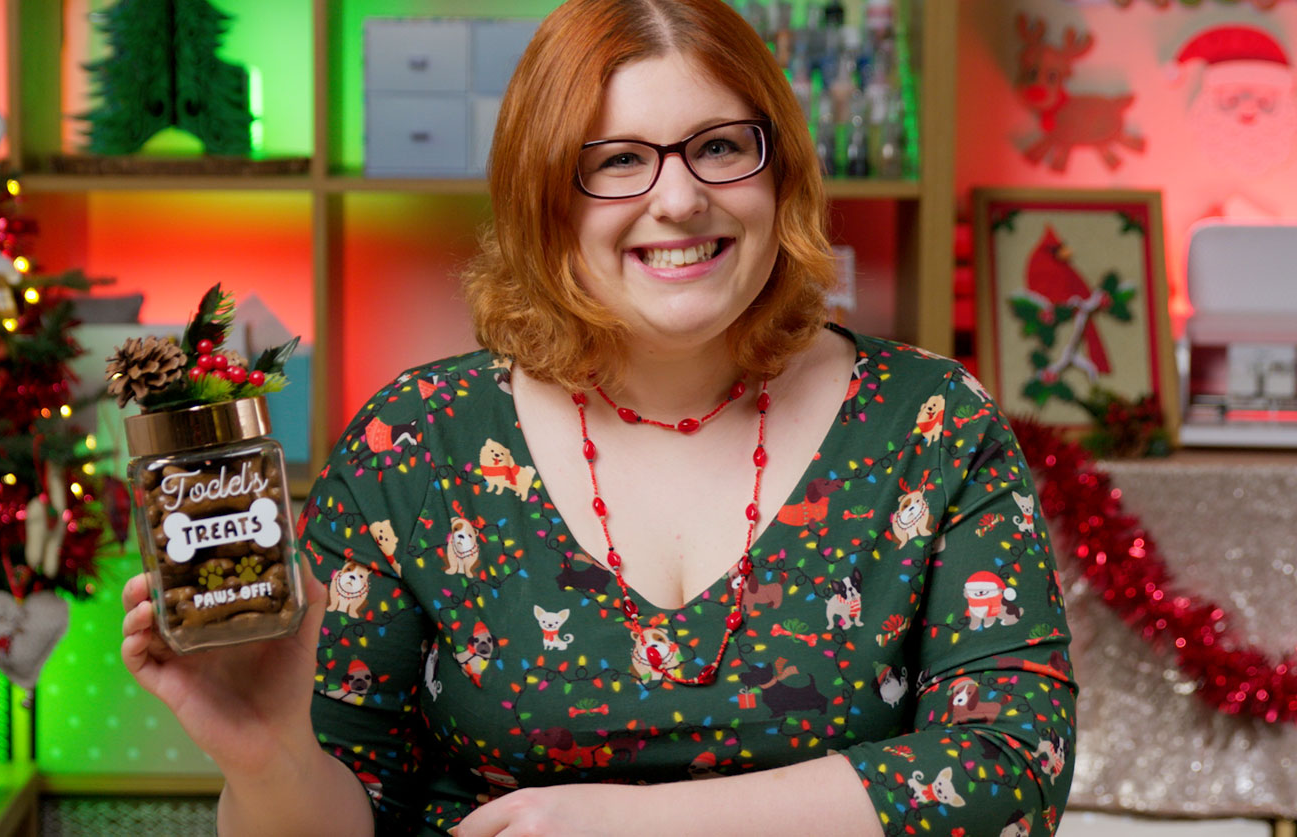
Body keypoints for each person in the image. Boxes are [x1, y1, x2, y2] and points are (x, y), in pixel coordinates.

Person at [121, 1, 1077, 834]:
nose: (680, 197)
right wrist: (267, 757)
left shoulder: (928, 421)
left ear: (777, 169)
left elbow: (1010, 768)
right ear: (545, 201)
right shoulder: (414, 440)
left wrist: (629, 823)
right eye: (617, 161)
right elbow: (350, 818)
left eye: (718, 146)